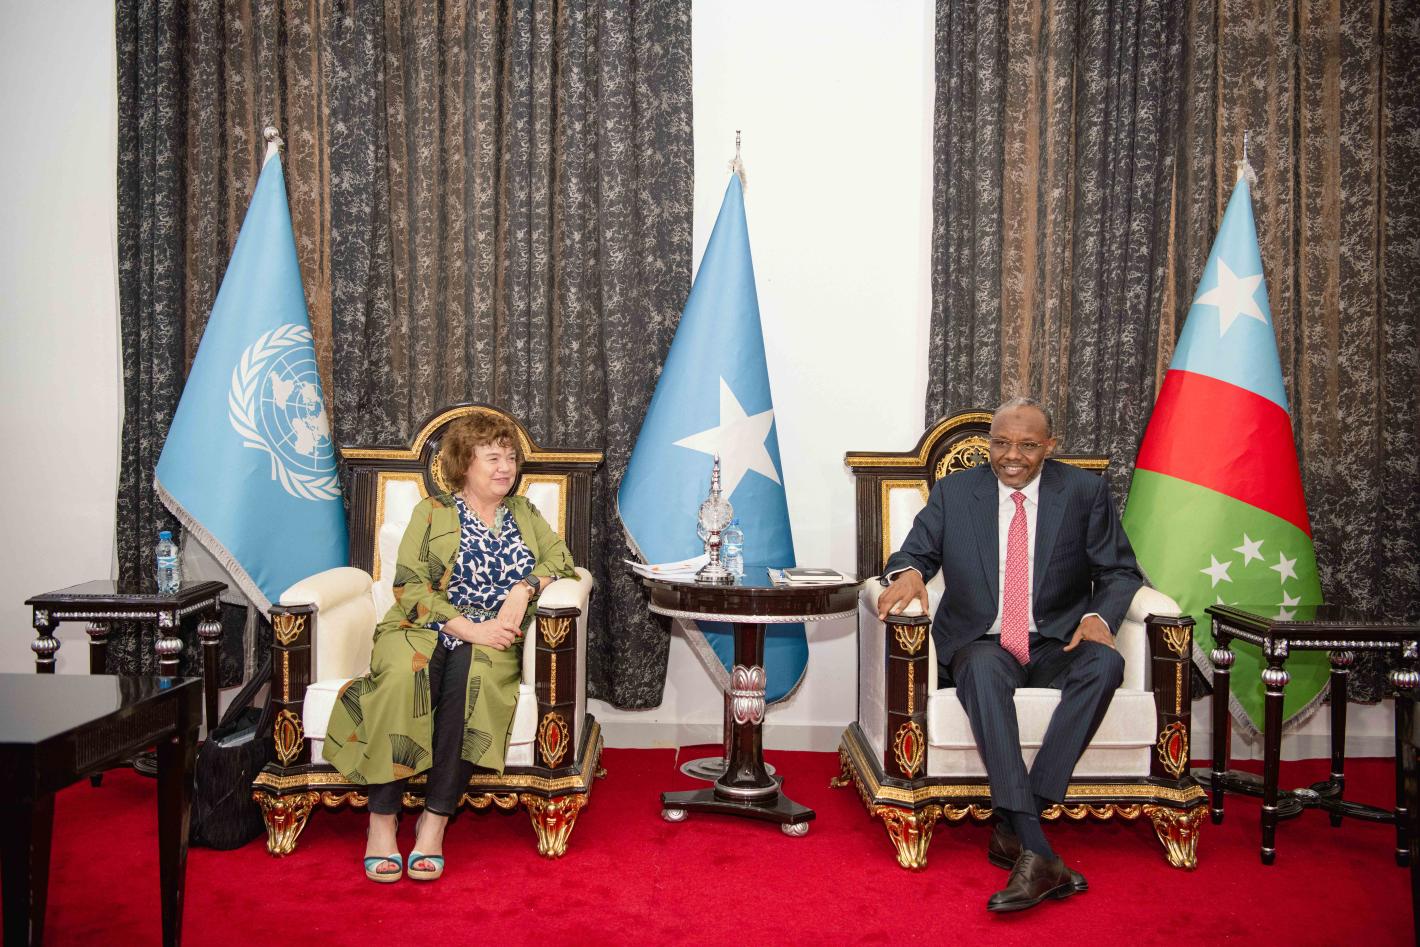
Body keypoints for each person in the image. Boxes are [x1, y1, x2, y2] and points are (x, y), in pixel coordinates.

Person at [877, 397, 1142, 913]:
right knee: (979, 669)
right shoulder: (957, 491)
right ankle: (1037, 846)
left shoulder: (1083, 491)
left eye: (1026, 445)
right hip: (983, 640)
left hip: (1057, 640)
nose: (1011, 455)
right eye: (1000, 443)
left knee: (1106, 663)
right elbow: (914, 552)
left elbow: (1119, 570)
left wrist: (1098, 617)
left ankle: (1014, 826)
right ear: (989, 444)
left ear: (1049, 446)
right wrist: (906, 573)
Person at [322, 414, 576, 883]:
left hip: (495, 635)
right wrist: (465, 627)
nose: (505, 467)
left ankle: (434, 821)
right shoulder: (433, 512)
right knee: (404, 678)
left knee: (474, 688)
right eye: (492, 457)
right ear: (464, 464)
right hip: (422, 625)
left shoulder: (525, 514)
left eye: (511, 458)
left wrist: (523, 588)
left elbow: (561, 560)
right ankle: (382, 819)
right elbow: (410, 585)